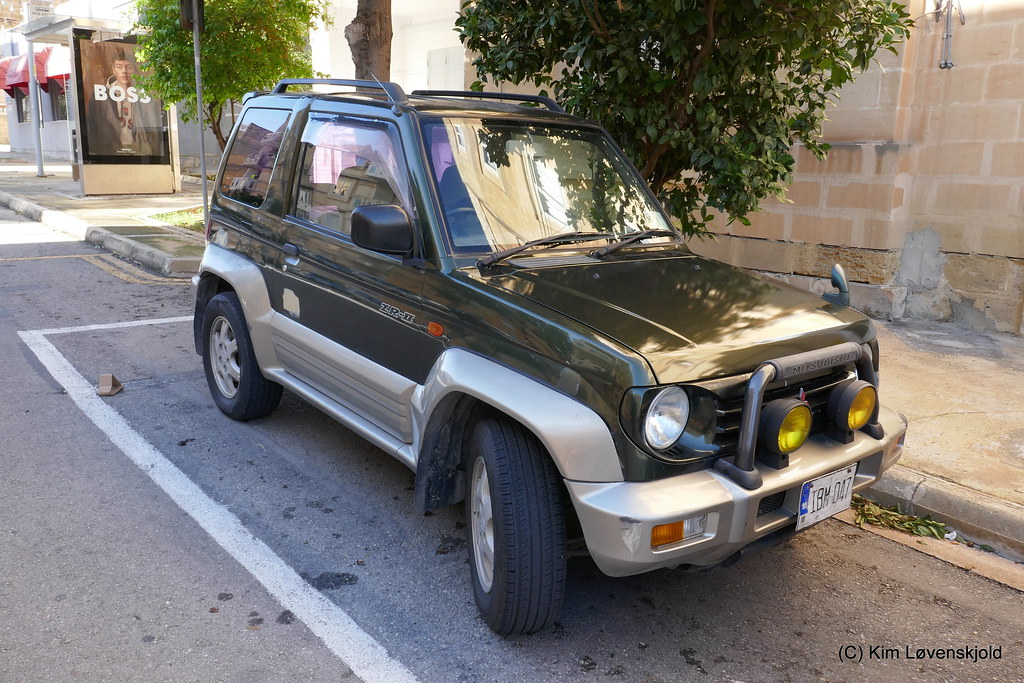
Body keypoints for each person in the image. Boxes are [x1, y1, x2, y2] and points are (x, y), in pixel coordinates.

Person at [87, 47, 164, 157]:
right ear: (113, 69)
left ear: (134, 69)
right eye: (119, 67)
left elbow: (153, 125)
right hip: (110, 151)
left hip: (141, 150)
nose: (124, 71)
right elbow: (92, 126)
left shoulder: (145, 96)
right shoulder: (100, 96)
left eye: (128, 67)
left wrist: (155, 151)